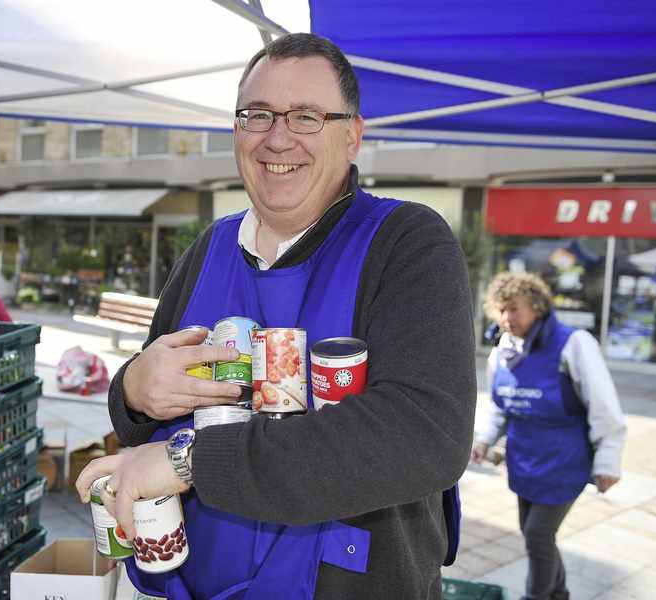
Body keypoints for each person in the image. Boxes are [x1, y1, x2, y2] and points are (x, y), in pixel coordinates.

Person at [77, 33, 476, 599]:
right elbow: (143, 408)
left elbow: (424, 434)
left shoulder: (407, 243)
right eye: (257, 114)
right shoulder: (207, 249)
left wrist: (188, 462)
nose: (278, 137)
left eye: (307, 116)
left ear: (353, 135)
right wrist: (133, 391)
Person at [472, 272, 626, 600]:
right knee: (538, 537)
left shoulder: (574, 343)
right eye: (500, 310)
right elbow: (501, 406)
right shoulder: (501, 352)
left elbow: (603, 406)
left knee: (537, 536)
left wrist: (608, 461)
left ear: (538, 307)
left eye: (514, 309)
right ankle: (559, 594)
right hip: (524, 460)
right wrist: (485, 439)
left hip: (565, 460)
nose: (505, 318)